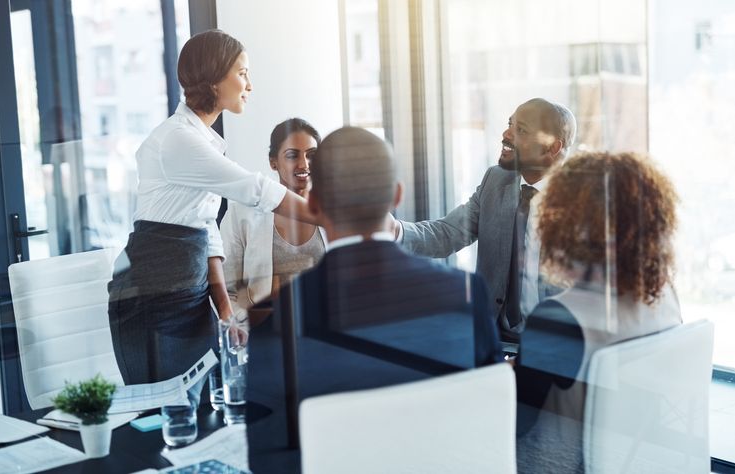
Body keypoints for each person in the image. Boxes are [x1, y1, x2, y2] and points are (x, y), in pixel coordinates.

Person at [107, 30, 316, 387]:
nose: (249, 84)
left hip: (188, 293)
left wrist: (224, 311)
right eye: (242, 72)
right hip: (150, 298)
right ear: (215, 78)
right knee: (166, 413)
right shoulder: (178, 139)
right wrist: (326, 215)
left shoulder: (203, 141)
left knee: (208, 404)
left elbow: (206, 230)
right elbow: (255, 189)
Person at [276, 126, 504, 371]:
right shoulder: (465, 292)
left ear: (312, 204)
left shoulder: (290, 307)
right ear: (397, 195)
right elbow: (491, 390)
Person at [514, 151, 682, 472]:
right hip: (635, 460)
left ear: (563, 226)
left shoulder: (559, 316)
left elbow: (516, 420)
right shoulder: (666, 297)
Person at [393, 98, 577, 346]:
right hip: (497, 339)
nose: (506, 134)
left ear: (552, 148)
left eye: (520, 130)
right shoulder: (496, 180)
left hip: (556, 345)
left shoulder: (582, 203)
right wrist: (393, 230)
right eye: (509, 124)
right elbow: (449, 232)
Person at [220, 118, 326, 327]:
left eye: (312, 155)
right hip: (265, 334)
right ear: (273, 162)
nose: (304, 164)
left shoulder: (334, 210)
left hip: (325, 331)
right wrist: (247, 324)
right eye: (292, 155)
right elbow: (226, 289)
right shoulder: (240, 213)